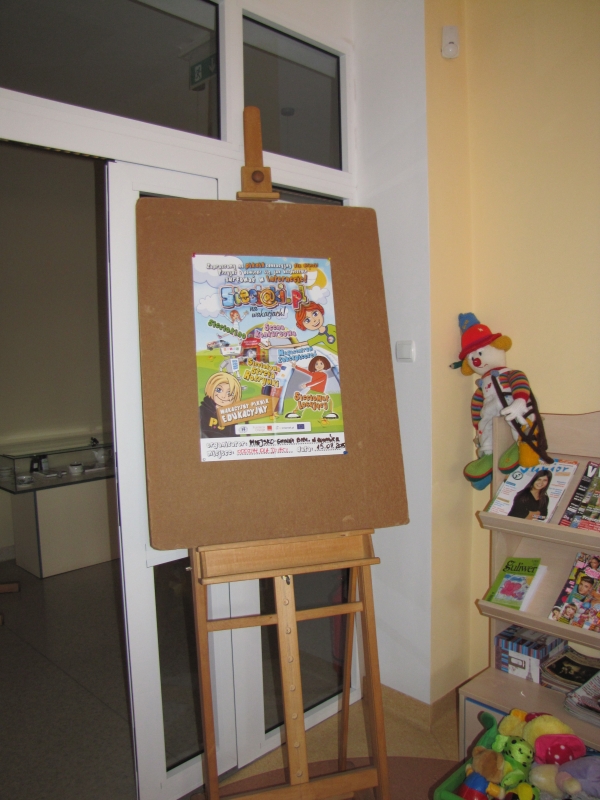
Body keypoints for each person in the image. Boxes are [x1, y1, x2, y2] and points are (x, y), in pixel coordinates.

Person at [199, 372, 242, 438]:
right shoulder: (202, 411)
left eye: (229, 393)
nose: (223, 396)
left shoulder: (232, 416)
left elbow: (235, 437)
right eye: (219, 390)